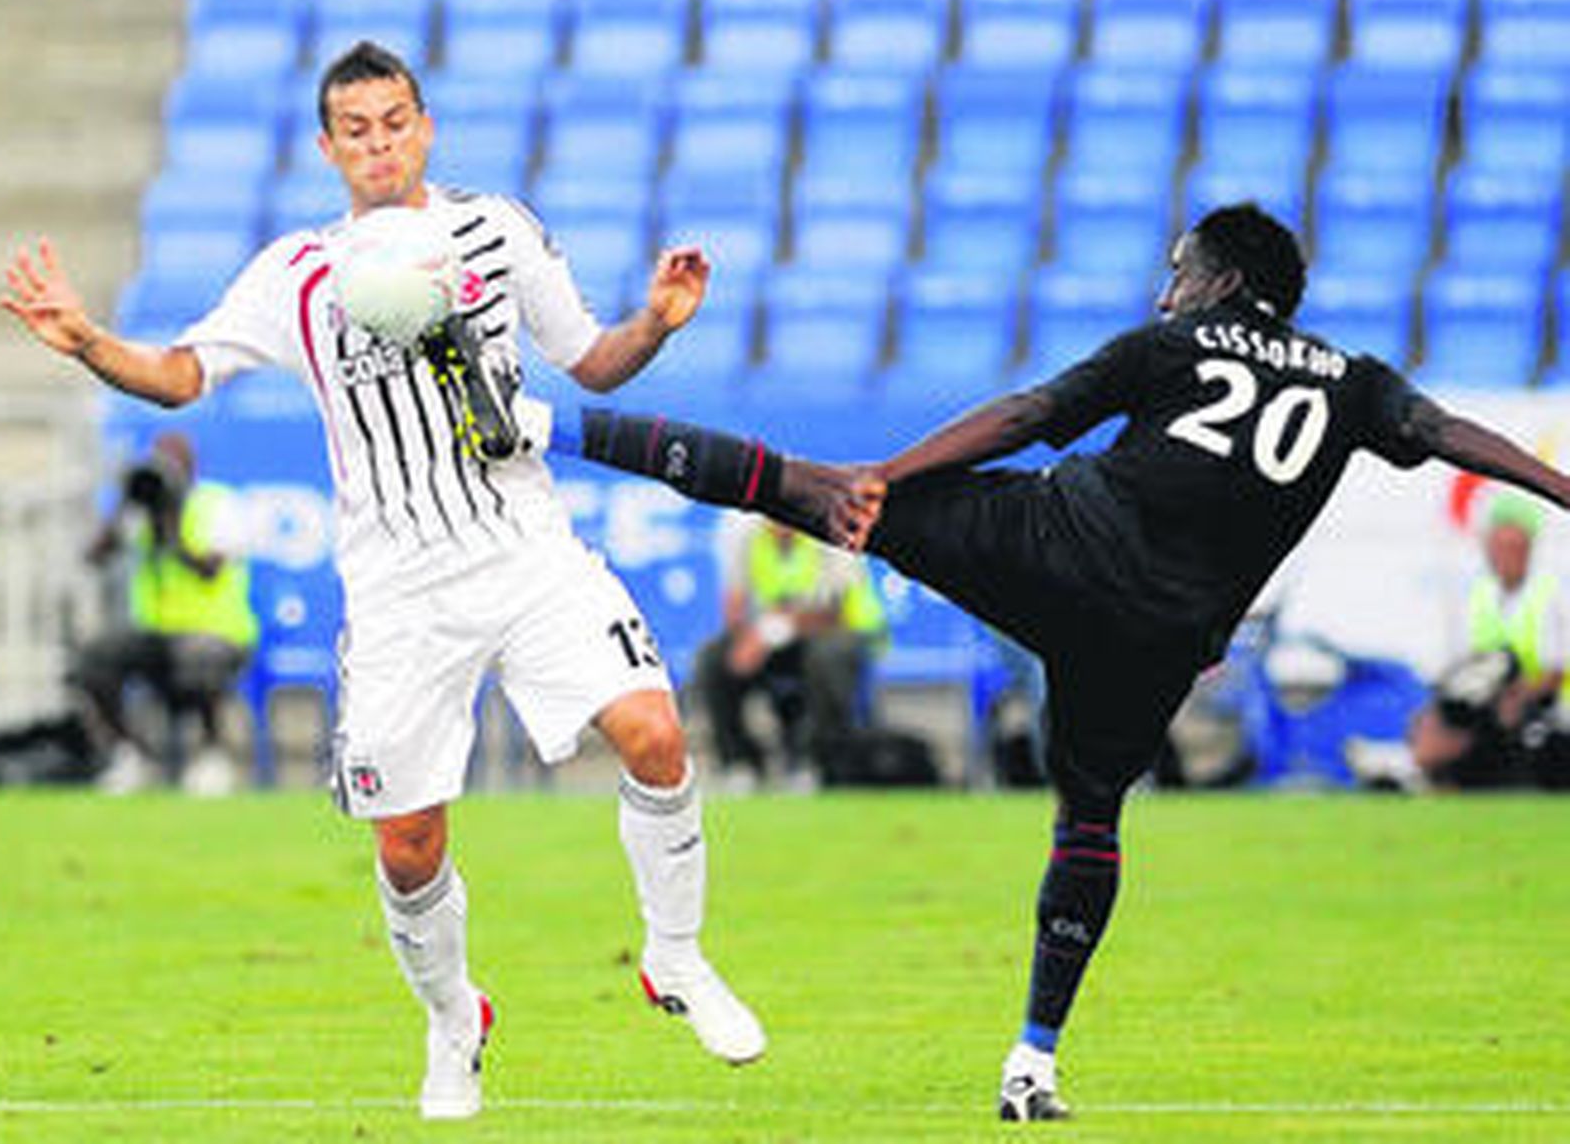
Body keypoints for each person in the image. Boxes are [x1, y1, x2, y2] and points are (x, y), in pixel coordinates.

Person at [552, 203, 1570, 1120]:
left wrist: (886, 477)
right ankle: (1032, 1063)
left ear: (1219, 280)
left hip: (1055, 547)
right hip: (1160, 641)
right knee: (1089, 820)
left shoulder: (1175, 341)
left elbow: (1031, 417)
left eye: (1179, 272)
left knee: (802, 488)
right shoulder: (1357, 383)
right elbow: (1446, 433)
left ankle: (550, 426)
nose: (1167, 293)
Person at [0, 40, 763, 1121]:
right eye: (355, 130)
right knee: (409, 847)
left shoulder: (496, 230)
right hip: (400, 593)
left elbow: (590, 360)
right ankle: (454, 1020)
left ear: (425, 127)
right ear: (327, 148)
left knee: (655, 734)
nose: (378, 144)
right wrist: (87, 340)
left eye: (395, 122)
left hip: (529, 554)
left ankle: (675, 955)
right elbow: (180, 376)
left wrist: (654, 323)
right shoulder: (298, 273)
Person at [75, 430, 258, 793]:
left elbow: (209, 570)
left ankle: (211, 756)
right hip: (158, 635)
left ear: (192, 468)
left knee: (199, 656)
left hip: (218, 635)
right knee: (96, 658)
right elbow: (94, 558)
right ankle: (133, 755)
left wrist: (172, 530)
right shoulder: (143, 510)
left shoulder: (217, 505)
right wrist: (124, 507)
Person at [693, 516, 885, 790]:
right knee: (713, 658)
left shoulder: (832, 533)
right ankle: (739, 761)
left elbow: (834, 612)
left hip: (839, 631)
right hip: (773, 638)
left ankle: (815, 760)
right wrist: (746, 639)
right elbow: (734, 603)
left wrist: (770, 632)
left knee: (827, 658)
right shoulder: (743, 535)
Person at [1406, 490, 1570, 788]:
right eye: (1499, 545)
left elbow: (1554, 672)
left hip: (1537, 705)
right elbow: (1461, 666)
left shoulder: (1548, 595)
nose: (1505, 554)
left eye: (1514, 546)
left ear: (1528, 548)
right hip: (1485, 702)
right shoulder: (1476, 596)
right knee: (1432, 721)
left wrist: (1516, 696)